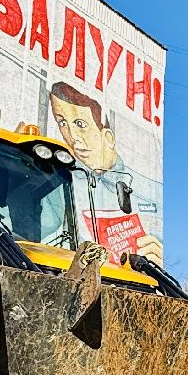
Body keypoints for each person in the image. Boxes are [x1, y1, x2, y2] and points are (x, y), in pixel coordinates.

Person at [48, 83, 164, 265]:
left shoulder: (150, 190)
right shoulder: (58, 184)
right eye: (62, 122)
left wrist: (159, 263)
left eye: (80, 124)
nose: (72, 137)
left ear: (108, 137)